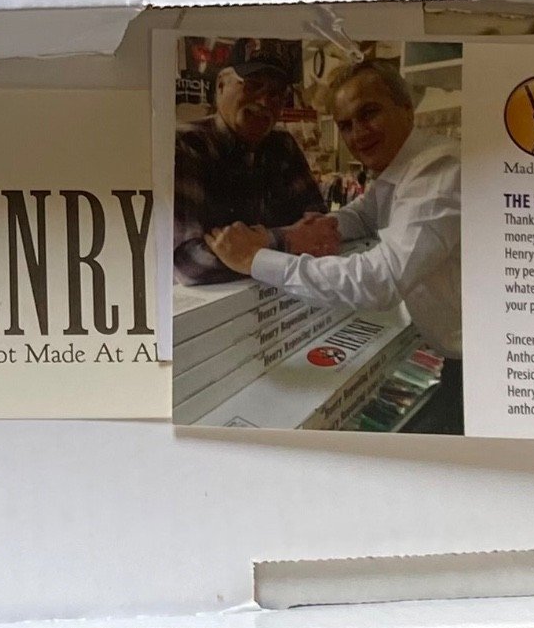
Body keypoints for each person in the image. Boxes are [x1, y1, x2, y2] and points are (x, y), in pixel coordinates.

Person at [206, 58, 462, 433]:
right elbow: (362, 215)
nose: (358, 133)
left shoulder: (437, 169)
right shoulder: (399, 173)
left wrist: (257, 258)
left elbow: (379, 280)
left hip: (483, 366)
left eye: (369, 113)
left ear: (406, 108)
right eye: (345, 125)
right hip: (459, 359)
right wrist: (302, 233)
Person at [172, 60, 326, 284]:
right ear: (221, 86)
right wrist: (287, 240)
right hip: (220, 305)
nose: (264, 102)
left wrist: (243, 250)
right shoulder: (187, 145)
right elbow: (186, 264)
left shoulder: (283, 146)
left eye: (275, 94)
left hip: (282, 297)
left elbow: (321, 230)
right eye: (252, 86)